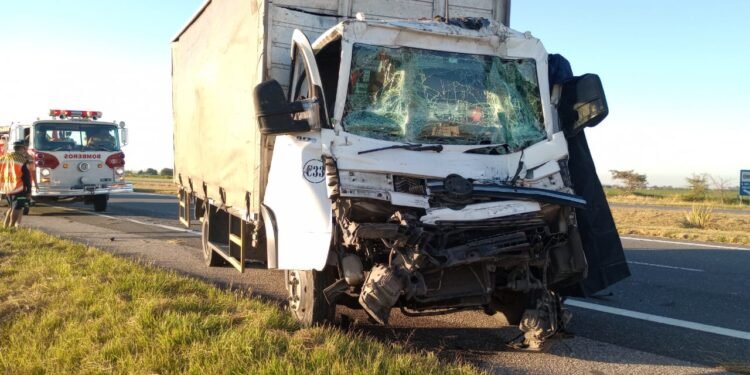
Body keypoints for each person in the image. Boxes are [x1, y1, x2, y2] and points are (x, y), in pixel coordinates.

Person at [3, 141, 37, 228]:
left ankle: (5, 227)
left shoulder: (5, 158)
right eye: (24, 148)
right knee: (17, 208)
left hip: (7, 187)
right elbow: (26, 176)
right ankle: (11, 227)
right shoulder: (22, 160)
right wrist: (29, 190)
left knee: (11, 207)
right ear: (22, 148)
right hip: (18, 187)